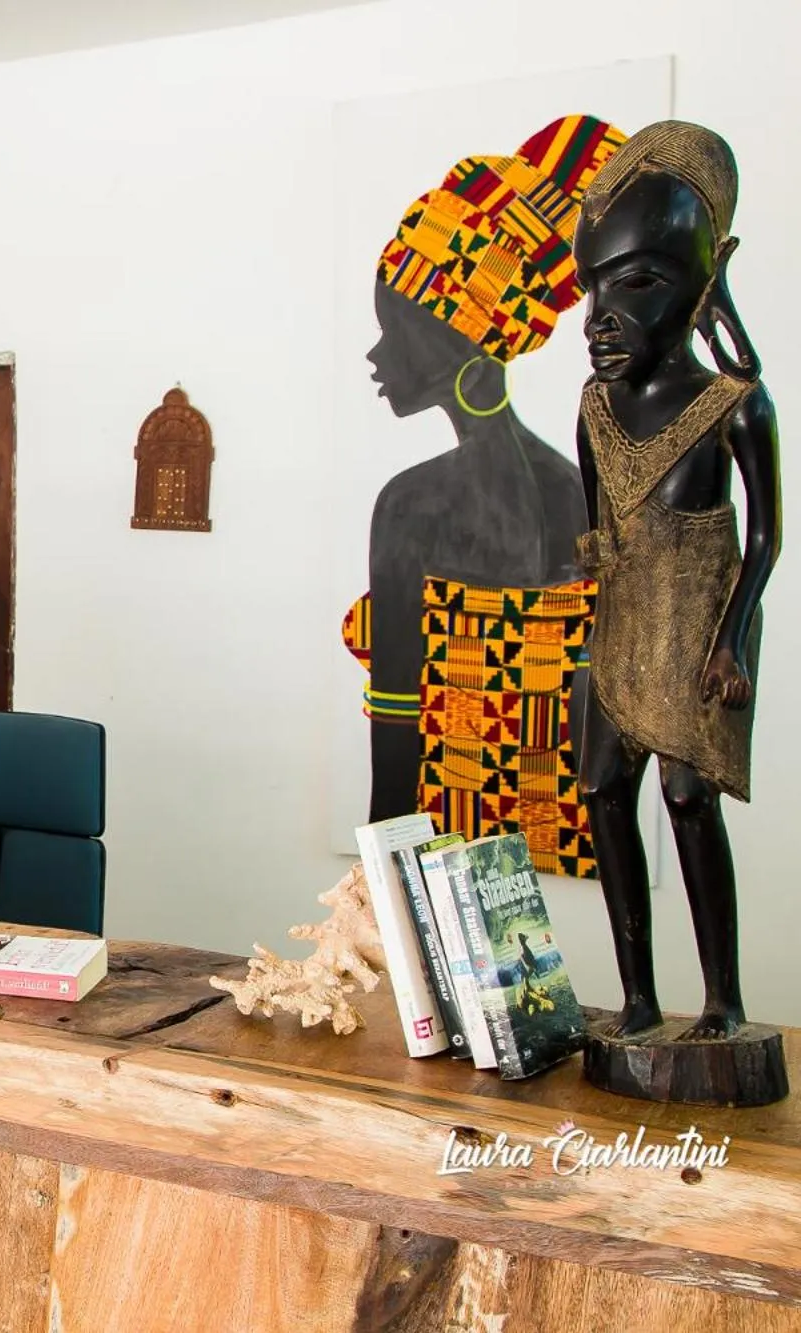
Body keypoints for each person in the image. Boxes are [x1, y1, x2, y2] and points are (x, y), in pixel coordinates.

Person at [569, 120, 781, 1040]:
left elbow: (767, 537)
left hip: (698, 631)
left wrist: (731, 638)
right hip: (621, 632)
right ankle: (640, 998)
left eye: (640, 285)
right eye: (595, 291)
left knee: (689, 801)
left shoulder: (736, 406)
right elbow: (594, 534)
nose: (602, 319)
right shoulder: (593, 409)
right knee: (606, 791)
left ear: (703, 281)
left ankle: (723, 1002)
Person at [353, 114, 624, 823]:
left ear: (455, 347)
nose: (377, 359)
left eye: (395, 331)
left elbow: (395, 730)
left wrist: (375, 889)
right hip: (557, 827)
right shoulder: (573, 487)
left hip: (437, 841)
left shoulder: (408, 506)